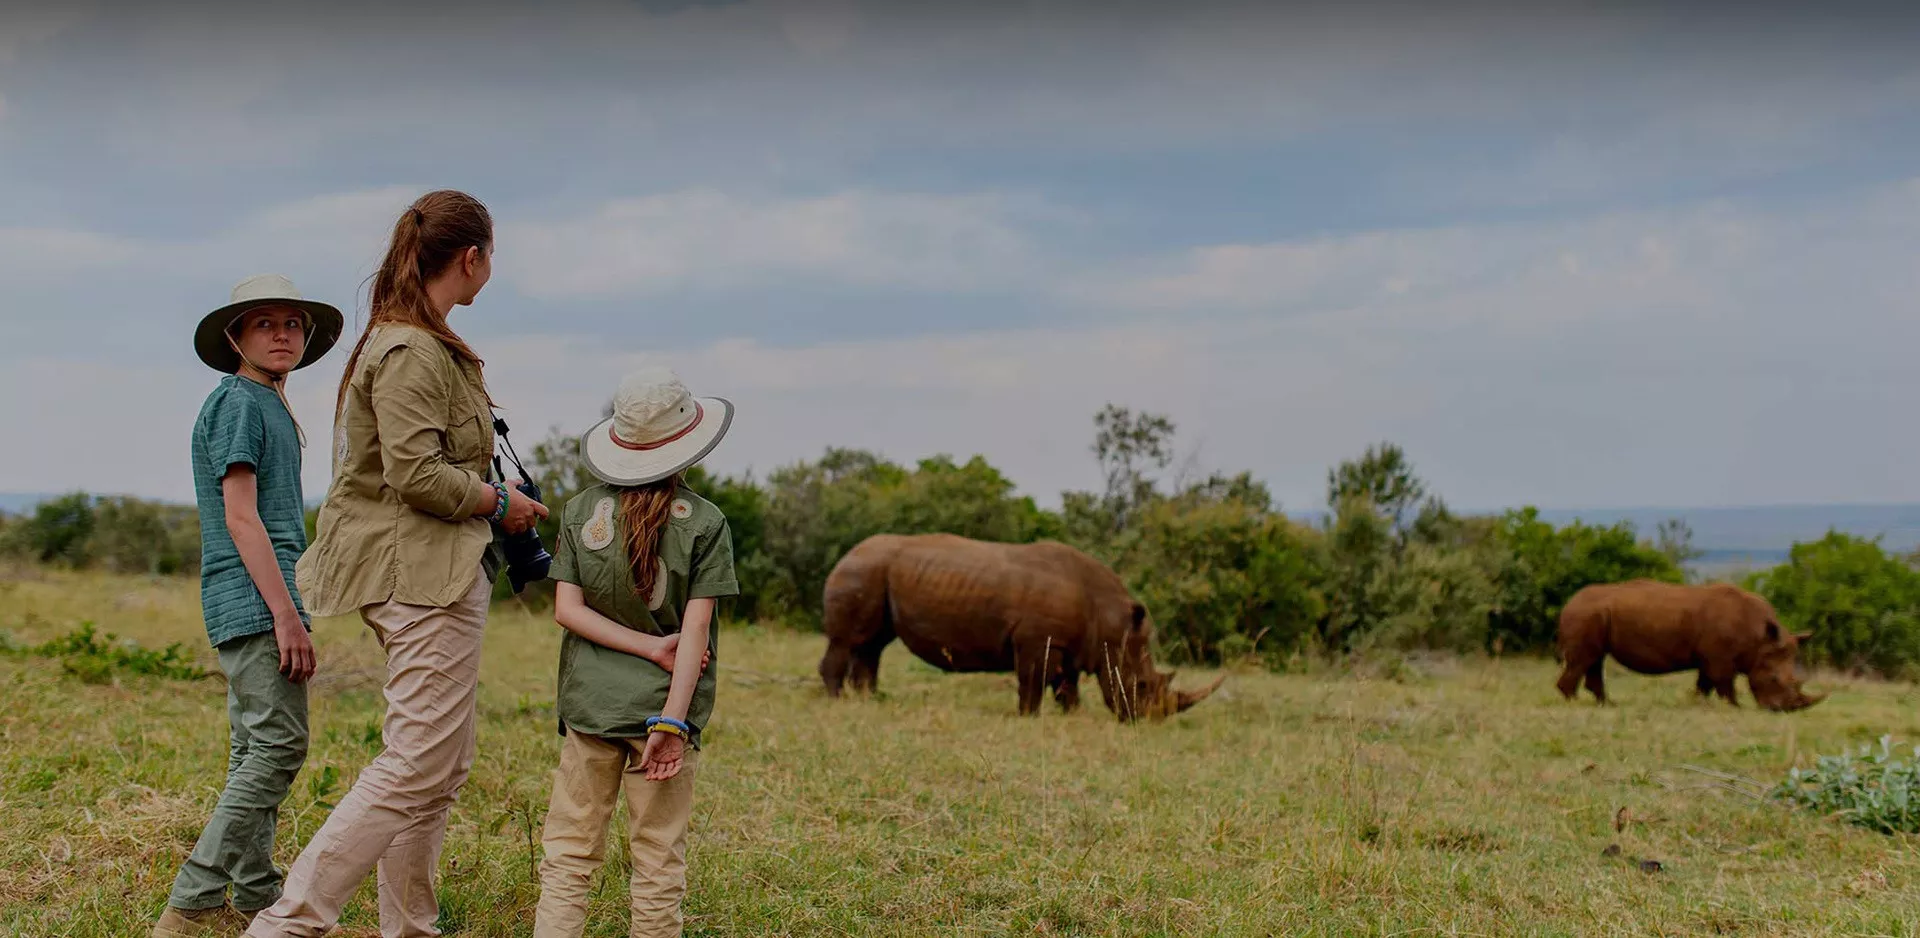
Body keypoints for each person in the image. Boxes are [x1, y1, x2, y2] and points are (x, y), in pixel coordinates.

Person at [246, 190, 547, 938]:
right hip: (418, 575)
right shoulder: (411, 348)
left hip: (427, 570)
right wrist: (498, 503)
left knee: (438, 769)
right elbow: (416, 475)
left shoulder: (415, 338)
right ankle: (289, 923)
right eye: (491, 257)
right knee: (417, 764)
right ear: (471, 258)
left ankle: (410, 928)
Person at [155, 274, 342, 938]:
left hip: (258, 598)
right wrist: (286, 614)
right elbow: (241, 519)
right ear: (236, 337)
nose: (282, 334)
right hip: (258, 600)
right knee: (279, 746)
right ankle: (192, 899)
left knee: (251, 747)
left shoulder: (265, 402)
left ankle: (259, 894)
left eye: (292, 324)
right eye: (264, 324)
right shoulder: (238, 401)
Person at [532, 367, 738, 938]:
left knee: (569, 854)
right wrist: (672, 721)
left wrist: (645, 647)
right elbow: (694, 634)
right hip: (661, 717)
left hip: (590, 709)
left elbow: (566, 611)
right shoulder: (706, 522)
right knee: (657, 858)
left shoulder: (578, 512)